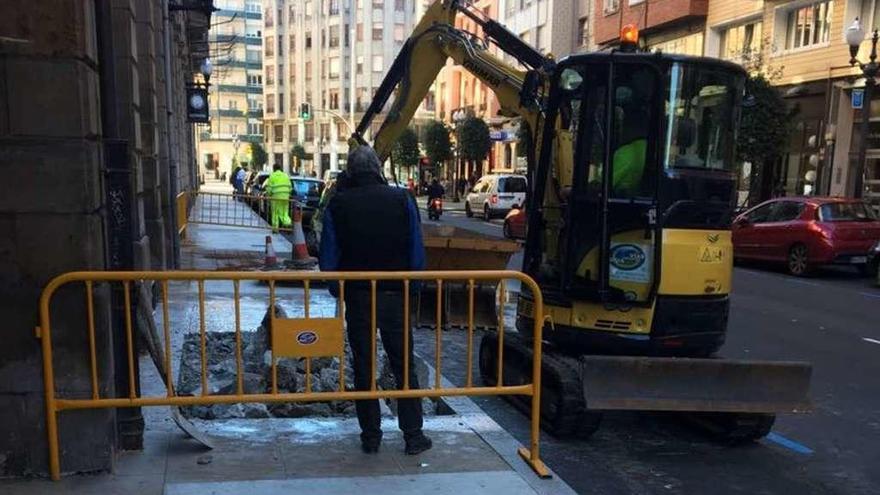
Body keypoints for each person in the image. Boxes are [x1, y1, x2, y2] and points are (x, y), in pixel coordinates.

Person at [319, 146, 432, 456]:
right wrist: (414, 285)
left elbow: (328, 253)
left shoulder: (338, 203)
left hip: (358, 296)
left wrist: (336, 288)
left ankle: (371, 436)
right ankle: (413, 435)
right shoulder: (402, 199)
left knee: (364, 365)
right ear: (378, 168)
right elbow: (415, 248)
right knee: (403, 364)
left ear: (351, 171)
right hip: (396, 294)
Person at [261, 164, 293, 231]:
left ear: (274, 169)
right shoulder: (285, 175)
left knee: (275, 213)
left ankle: (275, 229)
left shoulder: (272, 176)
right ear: (280, 168)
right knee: (284, 212)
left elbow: (269, 188)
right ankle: (288, 223)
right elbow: (290, 187)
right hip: (285, 196)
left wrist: (269, 194)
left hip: (276, 197)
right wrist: (287, 193)